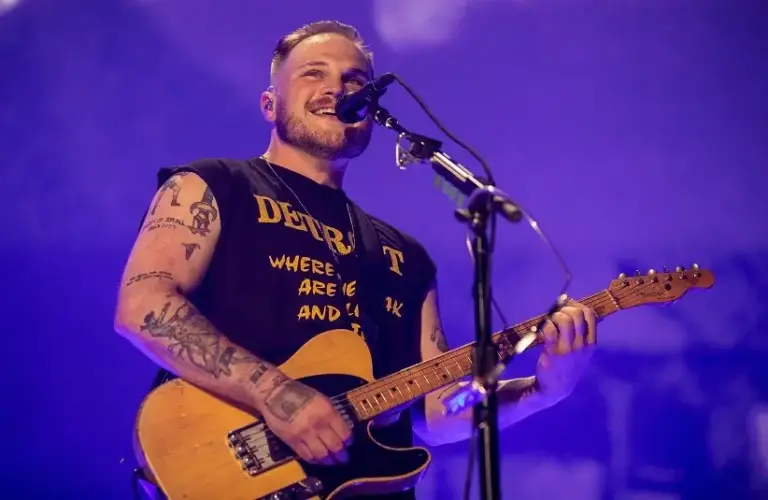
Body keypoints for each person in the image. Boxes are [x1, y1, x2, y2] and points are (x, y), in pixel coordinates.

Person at [113, 20, 597, 499]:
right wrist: (276, 394)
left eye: (354, 80)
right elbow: (144, 306)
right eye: (313, 73)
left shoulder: (404, 257)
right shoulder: (215, 186)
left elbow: (435, 412)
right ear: (269, 104)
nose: (336, 88)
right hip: (228, 471)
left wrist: (542, 390)